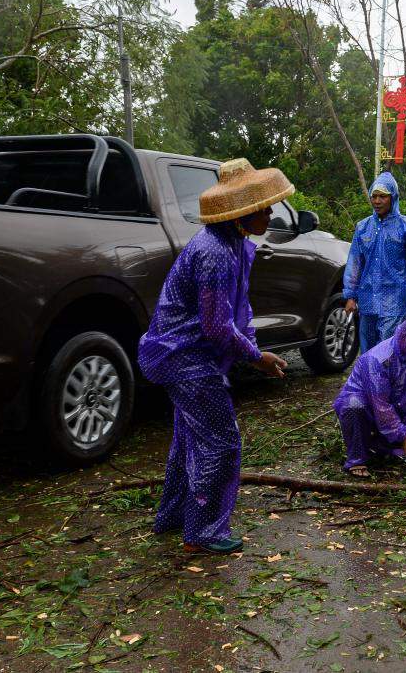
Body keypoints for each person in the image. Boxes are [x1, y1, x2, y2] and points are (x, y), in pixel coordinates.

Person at [138, 158, 291, 554]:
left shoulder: (236, 245)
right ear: (244, 212)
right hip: (184, 356)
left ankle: (174, 518)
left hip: (192, 355)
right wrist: (257, 358)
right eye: (265, 207)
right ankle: (203, 532)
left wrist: (256, 348)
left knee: (189, 440)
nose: (271, 213)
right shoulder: (214, 252)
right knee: (222, 442)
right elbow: (216, 326)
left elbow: (239, 311)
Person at [333, 308, 406, 477]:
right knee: (354, 407)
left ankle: (379, 449)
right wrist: (405, 438)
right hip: (367, 407)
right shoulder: (379, 359)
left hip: (398, 409)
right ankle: (357, 457)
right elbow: (381, 405)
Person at [343, 172, 406, 353]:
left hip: (395, 299)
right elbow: (355, 263)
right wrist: (351, 296)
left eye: (382, 196)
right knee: (368, 348)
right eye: (374, 196)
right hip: (367, 299)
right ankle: (371, 381)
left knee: (388, 349)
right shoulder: (363, 227)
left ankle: (389, 381)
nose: (377, 201)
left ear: (393, 197)